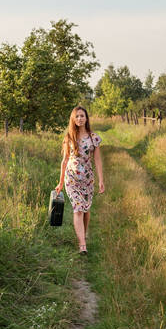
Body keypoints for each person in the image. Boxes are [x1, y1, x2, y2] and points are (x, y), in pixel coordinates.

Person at [55, 105, 104, 254]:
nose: (80, 118)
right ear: (73, 119)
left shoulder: (93, 138)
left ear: (86, 118)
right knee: (78, 209)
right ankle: (82, 245)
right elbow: (64, 161)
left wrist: (101, 180)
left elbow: (97, 161)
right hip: (72, 179)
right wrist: (61, 181)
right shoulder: (69, 137)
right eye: (77, 116)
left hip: (87, 180)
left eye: (82, 116)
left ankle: (84, 233)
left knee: (86, 209)